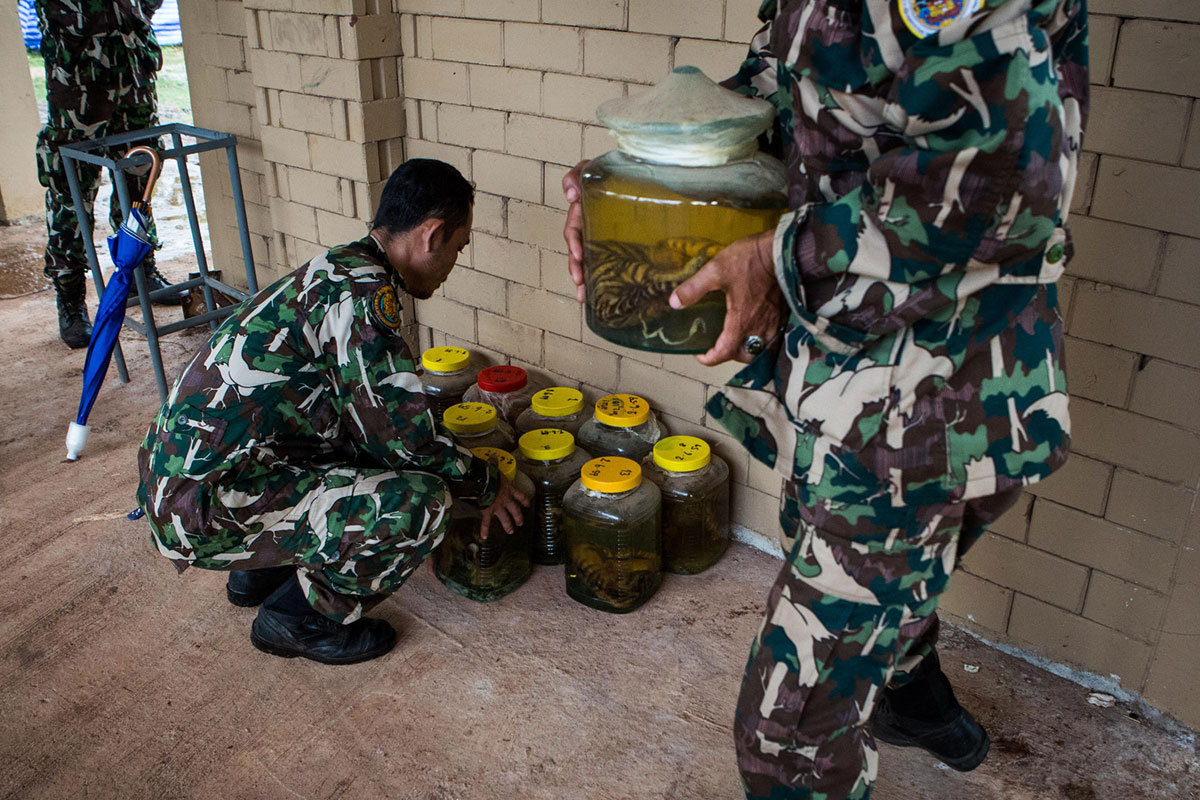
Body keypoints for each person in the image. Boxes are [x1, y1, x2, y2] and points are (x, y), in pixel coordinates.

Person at [564, 1, 1088, 797]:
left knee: (788, 742)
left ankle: (885, 689)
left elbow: (1001, 175)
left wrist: (784, 260)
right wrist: (657, 168)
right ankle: (907, 691)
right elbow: (796, 90)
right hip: (852, 384)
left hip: (932, 403)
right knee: (864, 576)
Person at [138, 159, 528, 665]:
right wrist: (484, 483)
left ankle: (259, 570)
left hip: (186, 480)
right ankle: (300, 619)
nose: (455, 260)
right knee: (421, 503)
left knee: (347, 440)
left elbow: (353, 416)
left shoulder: (339, 267)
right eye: (459, 246)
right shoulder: (365, 298)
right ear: (431, 235)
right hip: (202, 510)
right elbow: (402, 440)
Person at [34, 0, 184, 350]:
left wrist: (138, 14)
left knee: (138, 180)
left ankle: (141, 270)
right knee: (71, 193)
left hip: (133, 74)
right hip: (79, 82)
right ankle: (70, 298)